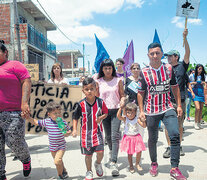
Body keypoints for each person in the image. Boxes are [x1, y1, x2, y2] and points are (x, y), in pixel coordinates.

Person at [137, 42, 187, 180]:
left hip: (167, 107)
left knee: (175, 134)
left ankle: (174, 168)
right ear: (148, 55)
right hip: (151, 110)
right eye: (152, 53)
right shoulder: (144, 72)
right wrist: (141, 111)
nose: (155, 56)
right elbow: (140, 93)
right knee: (152, 139)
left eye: (157, 53)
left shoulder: (169, 68)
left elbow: (175, 87)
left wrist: (178, 105)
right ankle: (154, 163)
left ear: (161, 54)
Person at [0, 40, 32, 180]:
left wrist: (24, 102)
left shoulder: (14, 65)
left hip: (13, 112)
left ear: (5, 52)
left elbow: (26, 80)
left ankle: (25, 158)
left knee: (14, 140)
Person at [22, 102, 71, 179]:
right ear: (49, 114)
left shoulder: (63, 122)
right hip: (52, 147)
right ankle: (64, 171)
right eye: (55, 113)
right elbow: (36, 122)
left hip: (61, 146)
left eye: (59, 113)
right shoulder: (47, 122)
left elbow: (69, 132)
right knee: (58, 161)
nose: (58, 115)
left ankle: (60, 175)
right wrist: (28, 118)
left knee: (57, 161)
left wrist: (66, 133)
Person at [72, 77, 108, 180]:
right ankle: (89, 171)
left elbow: (106, 113)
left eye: (92, 89)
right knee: (88, 155)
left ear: (96, 89)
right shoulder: (80, 104)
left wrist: (101, 117)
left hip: (98, 133)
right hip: (85, 135)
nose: (89, 91)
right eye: (87, 89)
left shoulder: (101, 102)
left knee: (100, 152)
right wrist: (74, 129)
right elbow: (75, 117)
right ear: (83, 90)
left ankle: (98, 163)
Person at [163, 28, 190, 158]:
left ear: (176, 57)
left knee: (179, 125)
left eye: (170, 56)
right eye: (167, 56)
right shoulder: (165, 68)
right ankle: (169, 147)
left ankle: (178, 146)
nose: (167, 58)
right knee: (167, 126)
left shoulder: (182, 66)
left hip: (181, 100)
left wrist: (185, 38)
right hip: (167, 101)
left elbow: (188, 53)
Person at [96, 59, 125, 176]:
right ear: (102, 69)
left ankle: (114, 162)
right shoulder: (98, 81)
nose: (108, 70)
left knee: (114, 136)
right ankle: (112, 153)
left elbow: (122, 95)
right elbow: (96, 96)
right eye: (105, 68)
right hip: (104, 112)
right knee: (107, 137)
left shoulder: (118, 80)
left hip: (116, 111)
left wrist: (123, 102)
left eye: (110, 68)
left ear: (113, 69)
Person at [117, 102, 146, 174]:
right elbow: (118, 116)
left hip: (136, 137)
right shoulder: (125, 119)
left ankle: (137, 163)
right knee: (130, 153)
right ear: (126, 113)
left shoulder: (137, 119)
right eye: (128, 113)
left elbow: (144, 126)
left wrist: (143, 121)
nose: (130, 115)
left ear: (136, 112)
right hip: (128, 138)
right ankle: (131, 165)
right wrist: (121, 108)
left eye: (132, 113)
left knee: (139, 151)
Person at [190, 64, 207, 129]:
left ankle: (199, 122)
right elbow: (189, 83)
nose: (200, 70)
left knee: (201, 109)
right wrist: (194, 83)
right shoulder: (192, 75)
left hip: (202, 93)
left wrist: (204, 83)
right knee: (198, 108)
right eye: (199, 69)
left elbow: (206, 84)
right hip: (195, 93)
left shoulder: (204, 76)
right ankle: (195, 122)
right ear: (196, 69)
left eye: (201, 69)